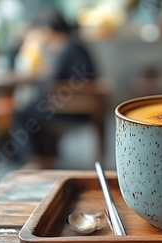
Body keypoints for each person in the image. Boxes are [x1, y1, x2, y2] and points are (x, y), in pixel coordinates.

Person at [12, 9, 98, 164]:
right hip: (69, 105)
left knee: (21, 115)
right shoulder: (72, 47)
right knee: (30, 111)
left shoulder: (69, 49)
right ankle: (44, 158)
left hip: (69, 108)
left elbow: (64, 80)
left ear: (51, 30)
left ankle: (33, 161)